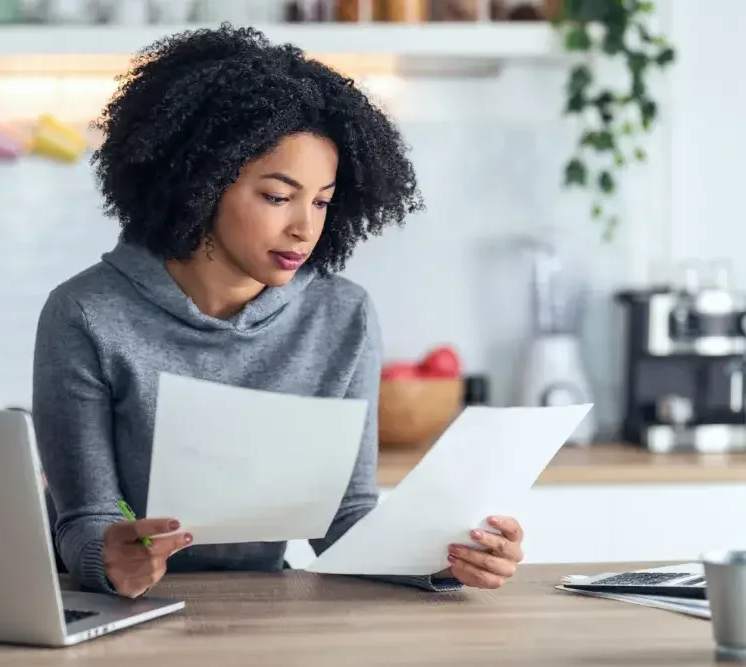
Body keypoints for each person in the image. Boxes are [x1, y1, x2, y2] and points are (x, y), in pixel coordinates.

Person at [32, 24, 525, 599]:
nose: (305, 227)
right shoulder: (87, 314)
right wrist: (110, 556)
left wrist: (443, 558)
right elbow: (84, 520)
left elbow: (345, 520)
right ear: (201, 182)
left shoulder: (342, 317)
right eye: (277, 196)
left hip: (267, 609)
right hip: (114, 614)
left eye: (321, 201)